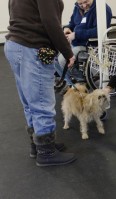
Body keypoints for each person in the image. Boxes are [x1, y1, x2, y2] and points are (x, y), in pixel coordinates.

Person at [4, 0, 77, 166]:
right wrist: (67, 51)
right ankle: (46, 152)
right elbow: (50, 21)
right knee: (42, 102)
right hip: (32, 47)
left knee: (30, 100)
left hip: (15, 45)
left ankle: (38, 144)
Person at [55, 0, 113, 94]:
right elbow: (73, 23)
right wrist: (67, 28)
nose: (84, 5)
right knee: (54, 55)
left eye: (86, 2)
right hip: (75, 41)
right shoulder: (77, 8)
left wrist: (76, 34)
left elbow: (98, 31)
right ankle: (71, 82)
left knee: (62, 60)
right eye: (80, 3)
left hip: (90, 44)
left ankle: (80, 81)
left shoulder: (103, 9)